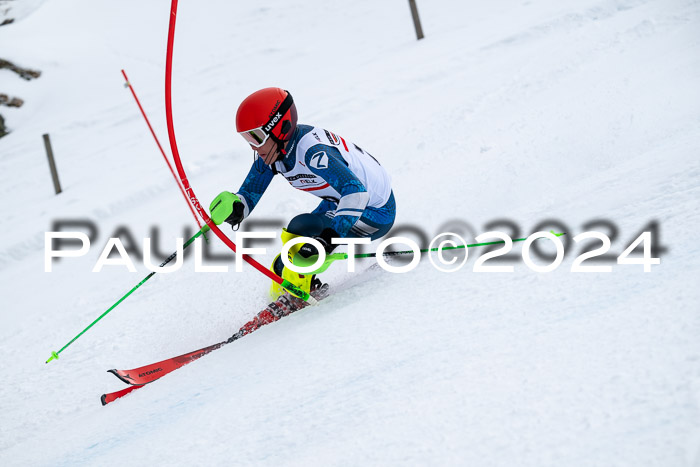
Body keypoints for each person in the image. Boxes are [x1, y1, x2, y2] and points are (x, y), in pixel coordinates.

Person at [210, 87, 396, 298]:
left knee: (301, 235)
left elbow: (357, 194)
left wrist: (329, 239)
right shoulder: (275, 152)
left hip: (375, 212)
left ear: (279, 127)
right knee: (283, 263)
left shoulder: (311, 152)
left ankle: (300, 293)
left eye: (257, 137)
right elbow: (249, 193)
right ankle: (281, 297)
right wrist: (236, 207)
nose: (253, 147)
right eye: (247, 139)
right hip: (337, 201)